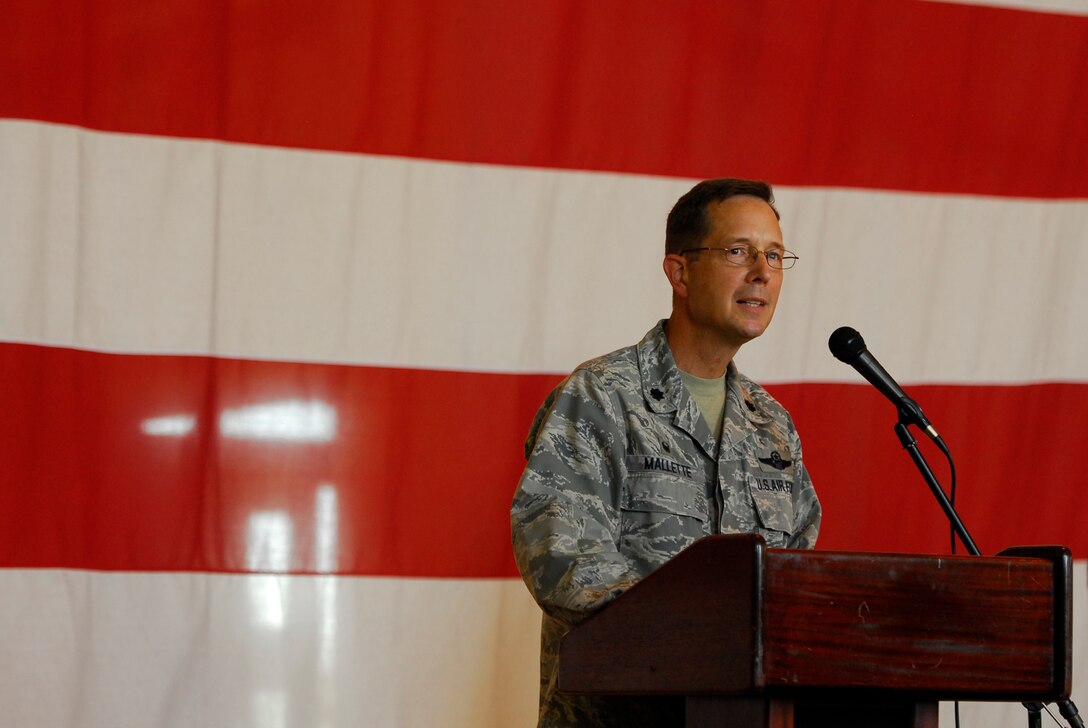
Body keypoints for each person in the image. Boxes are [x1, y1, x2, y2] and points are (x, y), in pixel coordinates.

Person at [510, 178, 822, 727]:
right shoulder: (601, 398)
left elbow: (799, 584)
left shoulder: (772, 426)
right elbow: (563, 564)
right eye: (738, 251)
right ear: (679, 272)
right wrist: (712, 629)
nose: (762, 272)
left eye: (774, 255)